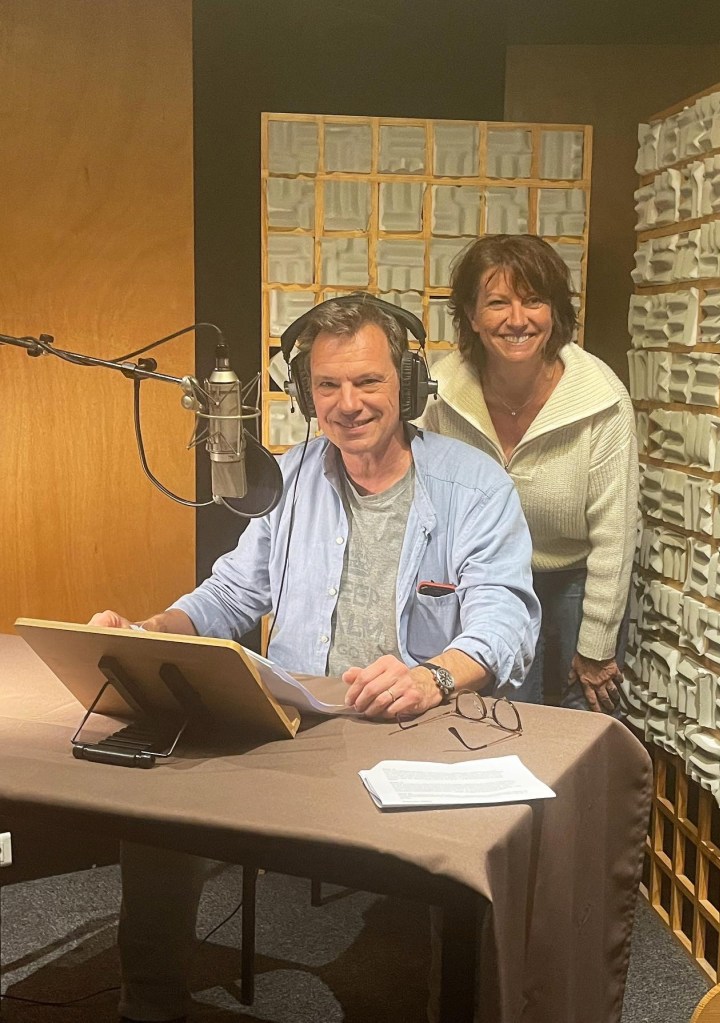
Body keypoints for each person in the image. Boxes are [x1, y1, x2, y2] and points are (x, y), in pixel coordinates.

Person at [91, 295, 540, 1023]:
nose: (347, 403)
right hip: (293, 722)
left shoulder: (474, 485)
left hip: (416, 727)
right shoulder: (288, 478)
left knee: (464, 866)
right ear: (305, 394)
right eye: (328, 385)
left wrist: (432, 675)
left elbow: (503, 618)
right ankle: (148, 1006)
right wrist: (152, 631)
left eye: (367, 381)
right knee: (156, 809)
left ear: (408, 385)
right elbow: (232, 593)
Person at [419, 234, 638, 715]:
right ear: (472, 315)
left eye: (534, 300)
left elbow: (616, 535)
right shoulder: (439, 394)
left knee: (588, 713)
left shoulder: (601, 400)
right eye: (498, 303)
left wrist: (597, 645)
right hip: (484, 576)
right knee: (503, 716)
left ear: (554, 311)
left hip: (574, 576)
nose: (517, 320)